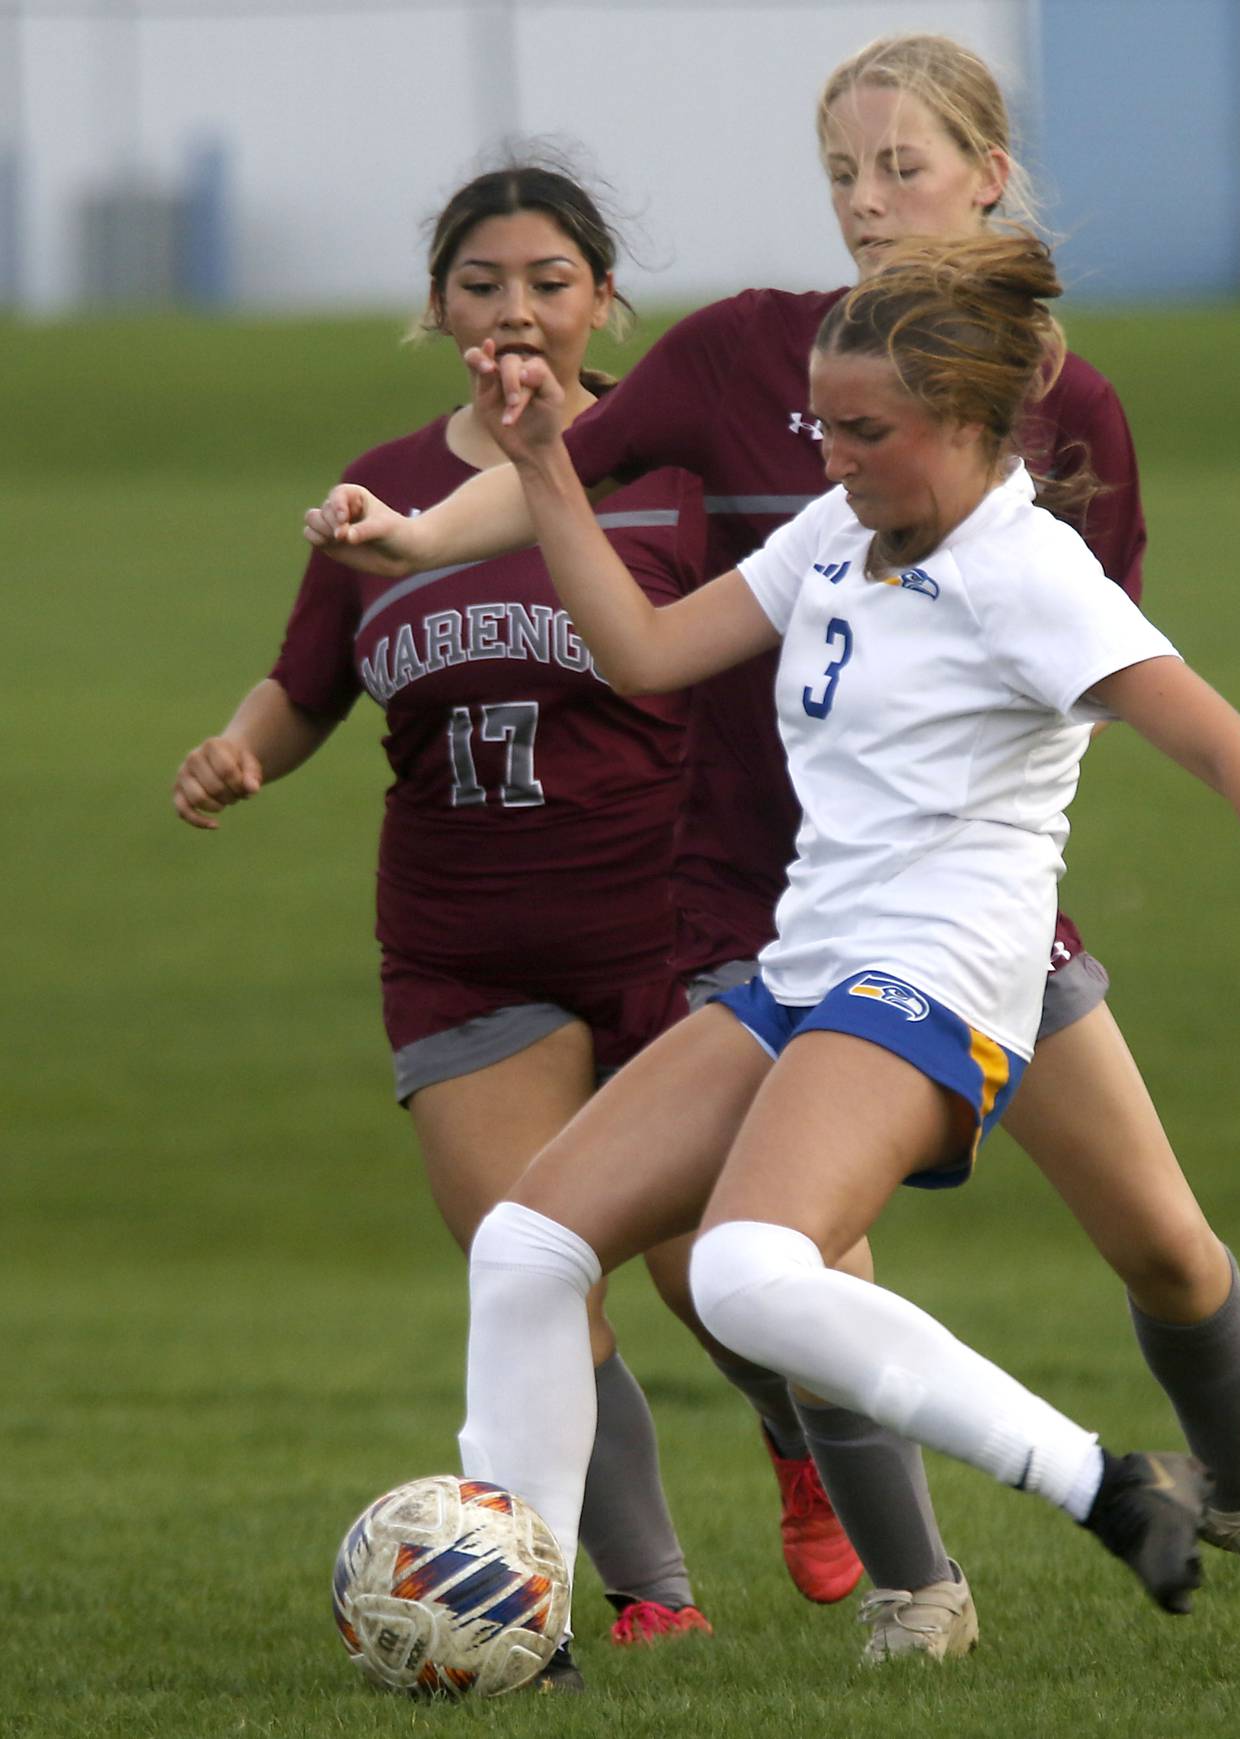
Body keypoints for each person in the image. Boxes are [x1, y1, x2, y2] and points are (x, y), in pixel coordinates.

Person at [303, 36, 1240, 1658]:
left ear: (971, 425)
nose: (818, 459)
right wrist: (543, 464)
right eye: (817, 427)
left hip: (948, 969)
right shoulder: (845, 520)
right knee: (533, 1247)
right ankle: (519, 1598)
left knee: (766, 1272)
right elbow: (643, 652)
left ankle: (1130, 1488)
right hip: (805, 955)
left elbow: (1232, 749)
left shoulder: (1031, 572)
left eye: (857, 433)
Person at [173, 163, 716, 1686]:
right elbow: (306, 681)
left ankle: (824, 1466)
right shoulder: (387, 480)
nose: (516, 307)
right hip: (464, 943)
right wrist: (239, 752)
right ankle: (648, 1590)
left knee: (726, 1272)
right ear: (440, 308)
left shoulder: (675, 467)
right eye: (482, 282)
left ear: (606, 298)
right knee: (529, 1272)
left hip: (675, 934)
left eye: (550, 278)